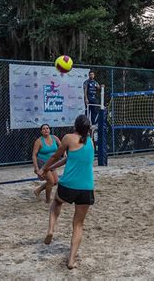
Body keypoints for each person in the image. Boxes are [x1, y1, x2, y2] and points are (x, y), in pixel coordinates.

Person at [38, 115, 95, 270]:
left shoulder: (68, 138)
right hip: (86, 188)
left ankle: (50, 230)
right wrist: (51, 168)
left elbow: (56, 155)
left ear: (75, 126)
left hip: (69, 185)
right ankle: (71, 260)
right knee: (78, 225)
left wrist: (44, 168)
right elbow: (69, 159)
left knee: (56, 202)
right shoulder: (90, 142)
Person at [32, 124, 61, 203]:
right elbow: (34, 155)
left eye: (47, 128)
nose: (46, 130)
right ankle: (48, 200)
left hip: (52, 162)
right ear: (41, 131)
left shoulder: (54, 138)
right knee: (51, 181)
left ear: (49, 130)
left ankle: (38, 190)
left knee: (55, 182)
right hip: (42, 162)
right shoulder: (39, 141)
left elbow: (61, 146)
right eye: (44, 129)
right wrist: (36, 168)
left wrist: (64, 153)